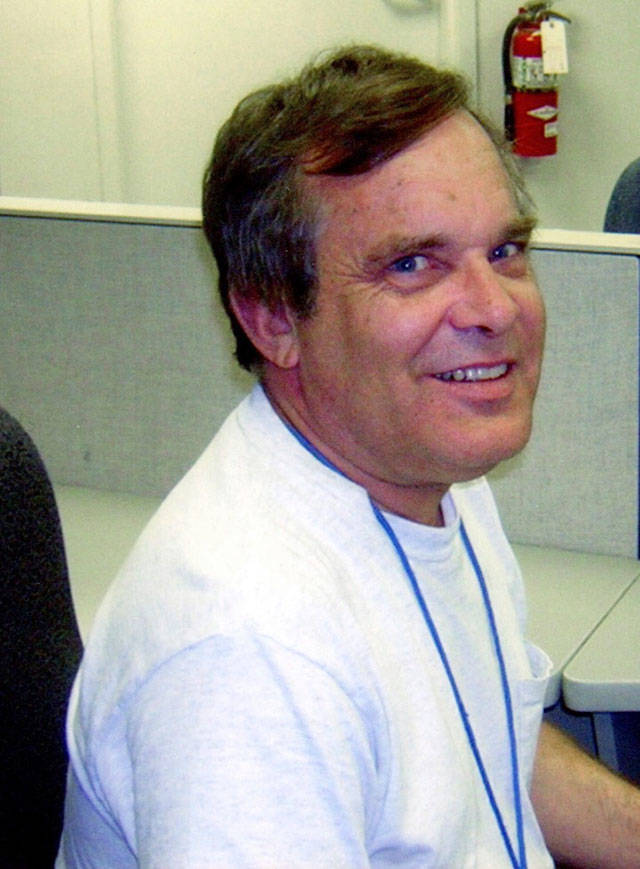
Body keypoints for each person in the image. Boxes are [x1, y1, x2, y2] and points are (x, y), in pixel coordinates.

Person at [57, 45, 640, 867]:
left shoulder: (427, 464)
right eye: (412, 264)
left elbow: (492, 738)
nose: (493, 307)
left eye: (505, 250)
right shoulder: (248, 654)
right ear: (272, 318)